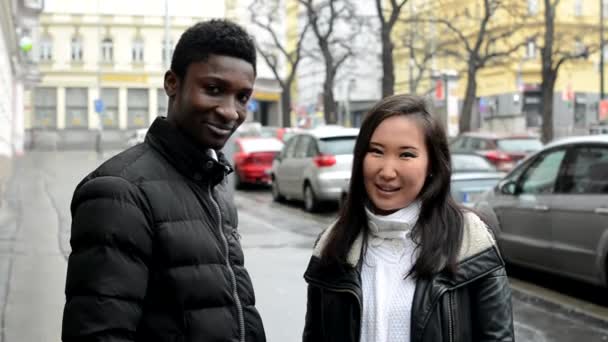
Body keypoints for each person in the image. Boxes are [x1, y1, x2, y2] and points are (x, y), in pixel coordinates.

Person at [62, 19, 266, 342]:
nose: (231, 111)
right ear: (172, 83)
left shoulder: (215, 183)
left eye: (242, 97)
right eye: (213, 89)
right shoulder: (118, 192)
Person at [303, 94, 513, 342]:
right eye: (376, 151)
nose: (387, 171)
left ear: (433, 164)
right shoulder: (333, 245)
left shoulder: (469, 240)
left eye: (406, 155)